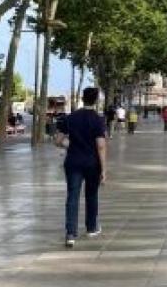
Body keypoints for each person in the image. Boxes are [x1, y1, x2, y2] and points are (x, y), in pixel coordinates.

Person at [54, 87, 107, 248]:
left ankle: (70, 233)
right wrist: (104, 169)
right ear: (96, 100)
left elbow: (57, 140)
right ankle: (91, 227)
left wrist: (69, 145)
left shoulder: (70, 118)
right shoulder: (98, 120)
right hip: (92, 163)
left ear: (82, 99)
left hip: (73, 162)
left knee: (72, 196)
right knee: (91, 195)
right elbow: (101, 145)